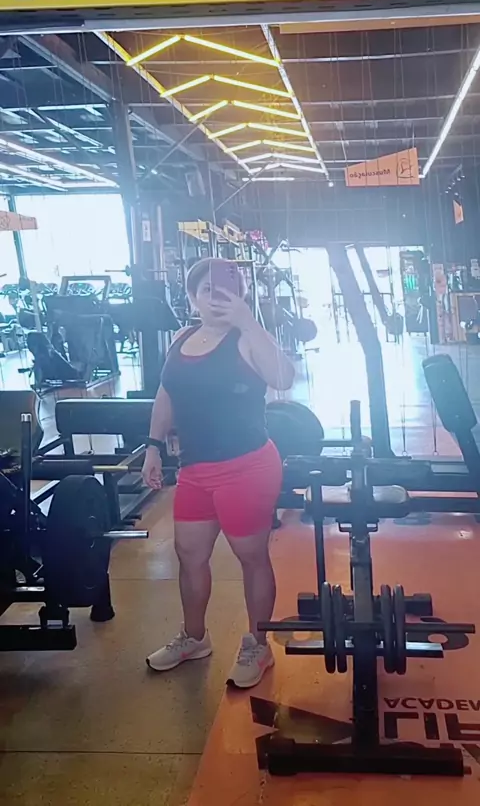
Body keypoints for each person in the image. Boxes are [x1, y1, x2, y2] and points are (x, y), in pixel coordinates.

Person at [142, 257, 295, 688]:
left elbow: (284, 377)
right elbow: (166, 395)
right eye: (207, 289)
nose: (217, 297)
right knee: (189, 555)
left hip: (246, 467)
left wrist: (248, 321)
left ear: (241, 294)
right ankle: (194, 638)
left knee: (251, 556)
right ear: (192, 296)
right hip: (195, 469)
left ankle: (258, 645)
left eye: (228, 289)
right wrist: (153, 446)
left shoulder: (247, 339)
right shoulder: (181, 338)